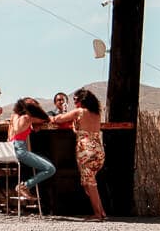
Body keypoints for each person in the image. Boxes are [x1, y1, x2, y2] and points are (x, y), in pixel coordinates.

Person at [52, 87, 108, 221]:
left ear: (82, 100)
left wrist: (46, 118)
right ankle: (101, 212)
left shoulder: (79, 112)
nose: (74, 102)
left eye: (75, 99)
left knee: (89, 183)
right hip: (98, 150)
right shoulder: (96, 114)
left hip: (86, 151)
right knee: (90, 182)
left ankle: (97, 214)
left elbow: (59, 119)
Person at [9, 98, 56, 201]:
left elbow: (17, 129)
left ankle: (27, 187)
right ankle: (25, 186)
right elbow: (46, 119)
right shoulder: (28, 118)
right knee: (50, 169)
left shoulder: (15, 116)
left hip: (11, 149)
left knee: (46, 161)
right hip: (20, 150)